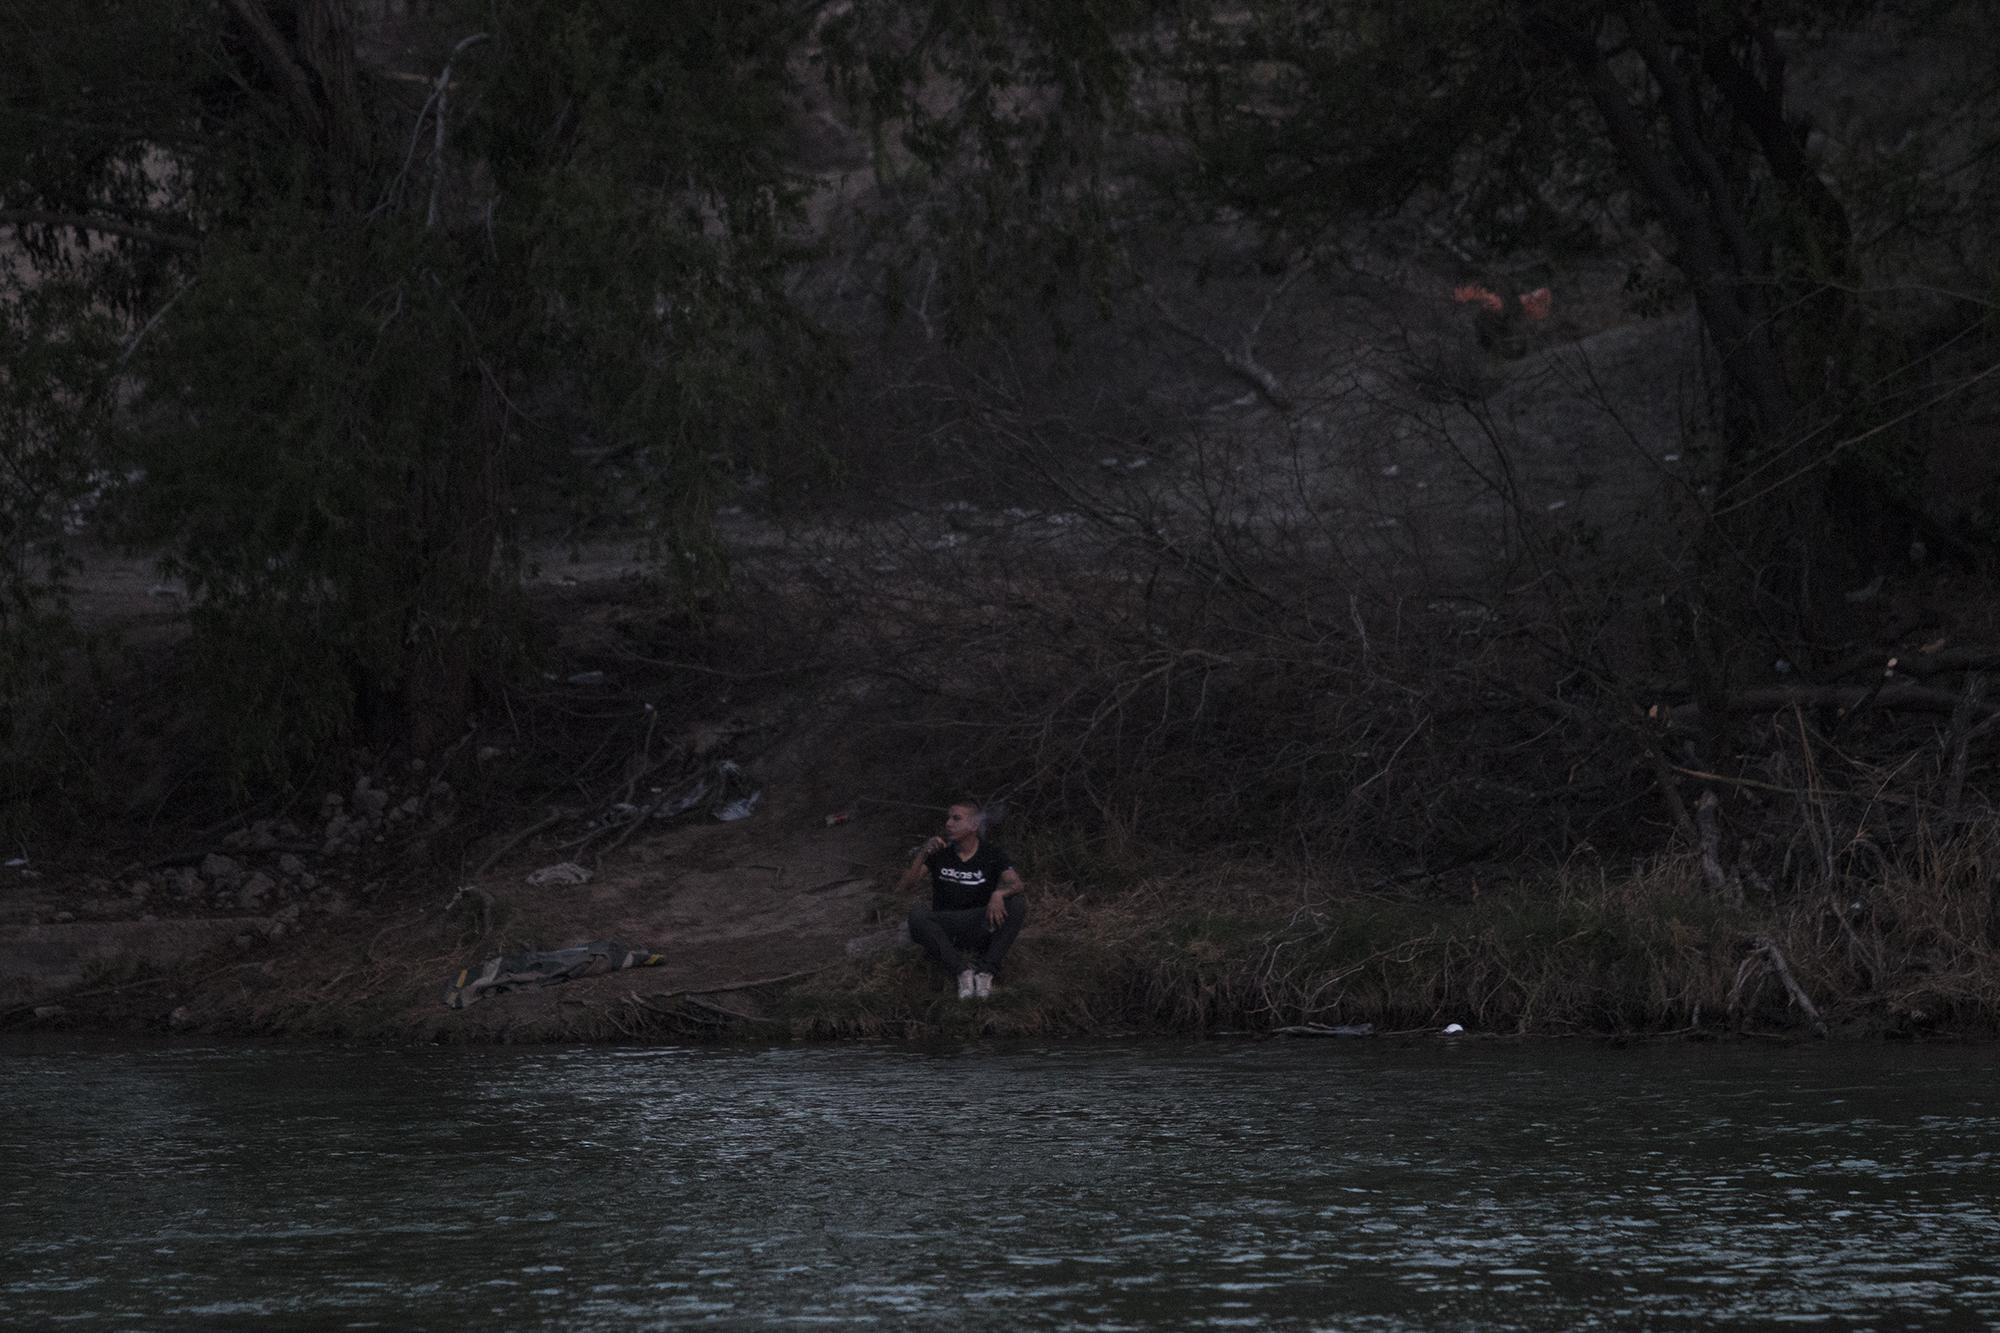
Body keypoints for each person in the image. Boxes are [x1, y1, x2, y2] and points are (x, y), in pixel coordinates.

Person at [898, 799, 1026, 1000]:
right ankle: (961, 972)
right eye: (948, 818)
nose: (948, 823)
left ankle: (986, 972)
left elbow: (1017, 884)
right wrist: (923, 854)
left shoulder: (991, 854)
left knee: (1017, 904)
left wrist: (999, 894)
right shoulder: (941, 854)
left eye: (956, 818)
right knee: (917, 915)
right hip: (946, 924)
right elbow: (905, 886)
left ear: (974, 825)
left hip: (979, 924)